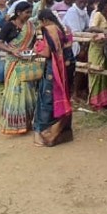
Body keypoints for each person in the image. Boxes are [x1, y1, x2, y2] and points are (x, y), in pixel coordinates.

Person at [33, 9, 75, 147]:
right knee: (58, 96)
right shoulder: (62, 29)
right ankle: (60, 131)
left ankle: (43, 132)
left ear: (44, 20)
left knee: (46, 99)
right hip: (63, 67)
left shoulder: (46, 29)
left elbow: (45, 53)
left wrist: (35, 50)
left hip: (51, 67)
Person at [0, 2, 41, 136]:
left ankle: (27, 122)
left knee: (28, 91)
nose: (29, 15)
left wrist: (33, 50)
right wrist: (12, 51)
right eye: (27, 12)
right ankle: (14, 123)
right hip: (13, 62)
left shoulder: (31, 26)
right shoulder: (9, 26)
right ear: (18, 13)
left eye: (30, 12)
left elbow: (33, 43)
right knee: (15, 92)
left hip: (27, 61)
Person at [86, 0, 107, 110]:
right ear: (104, 4)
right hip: (97, 48)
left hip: (106, 48)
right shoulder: (98, 14)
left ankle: (105, 100)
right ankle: (95, 101)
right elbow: (91, 28)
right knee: (96, 72)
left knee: (105, 73)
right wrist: (102, 30)